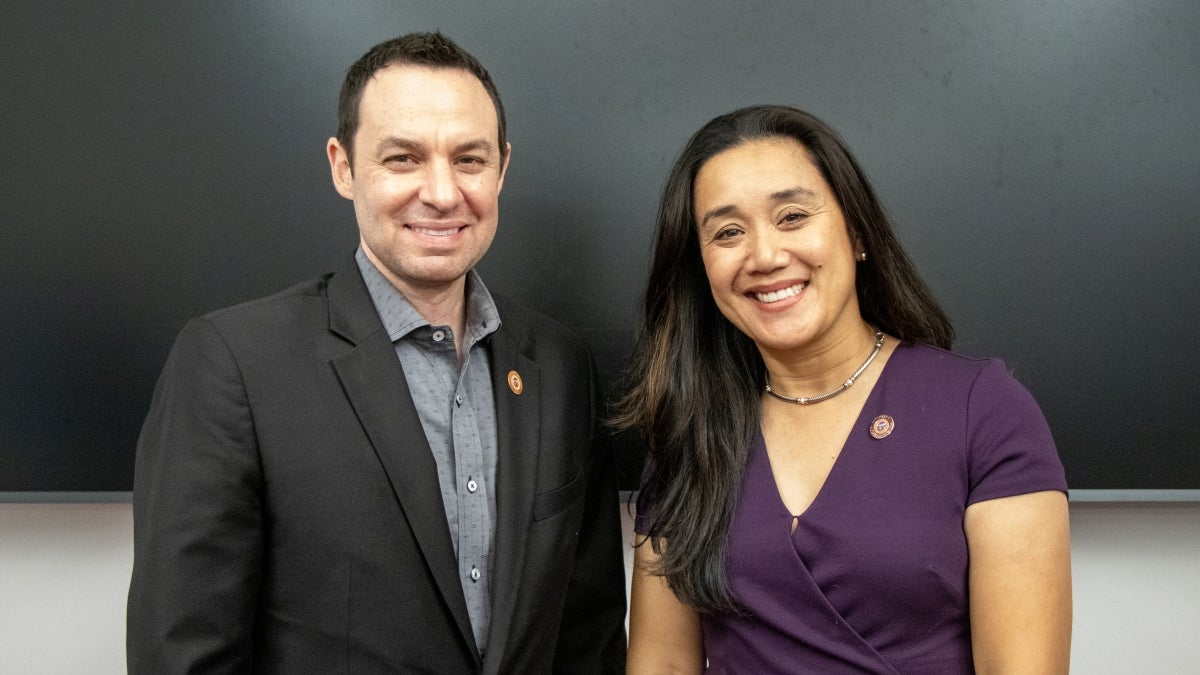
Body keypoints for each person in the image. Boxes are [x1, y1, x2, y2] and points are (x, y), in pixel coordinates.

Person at [127, 32, 626, 673]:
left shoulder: (559, 366)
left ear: (502, 168)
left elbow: (589, 638)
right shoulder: (232, 365)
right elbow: (183, 653)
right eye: (403, 159)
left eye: (468, 160)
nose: (443, 193)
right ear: (343, 167)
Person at [617, 105, 1071, 674]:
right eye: (728, 232)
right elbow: (661, 663)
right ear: (701, 268)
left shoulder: (984, 410)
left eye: (792, 216)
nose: (765, 256)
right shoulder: (688, 435)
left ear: (856, 232)